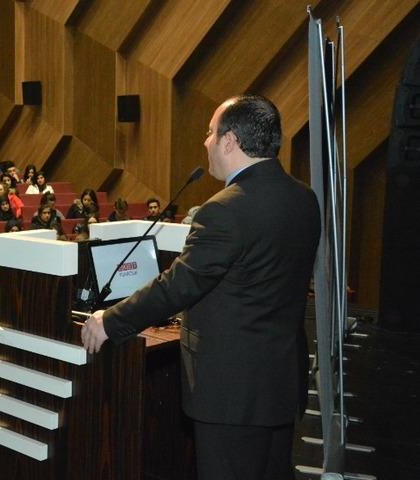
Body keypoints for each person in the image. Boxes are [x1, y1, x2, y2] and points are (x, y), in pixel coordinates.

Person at [80, 95, 320, 480]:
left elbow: (178, 285)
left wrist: (110, 320)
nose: (206, 142)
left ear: (230, 141)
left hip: (232, 392)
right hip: (278, 382)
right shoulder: (303, 198)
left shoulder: (224, 209)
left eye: (210, 132)